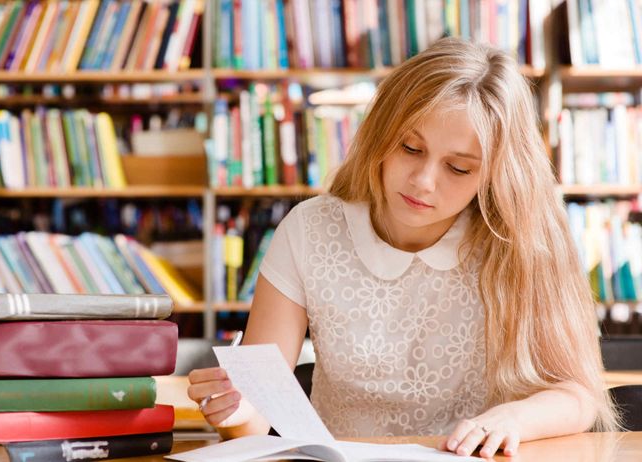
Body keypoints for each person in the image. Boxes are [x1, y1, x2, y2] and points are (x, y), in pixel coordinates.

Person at [187, 37, 619, 458]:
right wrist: (234, 410)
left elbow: (579, 394)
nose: (423, 181)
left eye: (458, 168)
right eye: (410, 147)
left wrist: (513, 419)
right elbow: (256, 419)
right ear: (380, 134)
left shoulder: (523, 241)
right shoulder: (310, 230)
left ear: (494, 176)